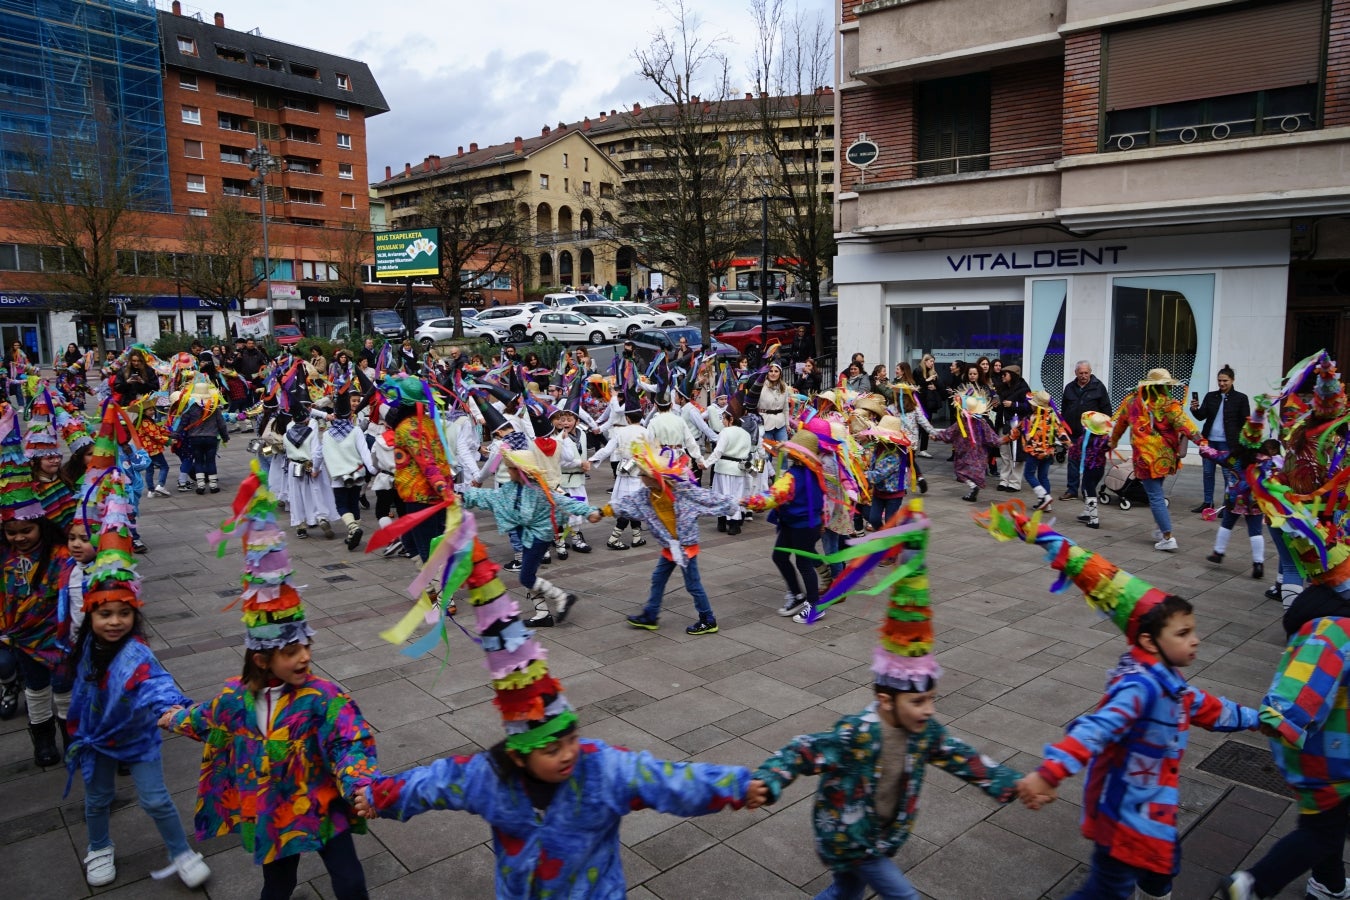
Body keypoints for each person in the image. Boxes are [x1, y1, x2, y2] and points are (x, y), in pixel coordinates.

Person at [354, 533, 762, 898]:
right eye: (550, 748)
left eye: (569, 737)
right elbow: (434, 783)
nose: (568, 752)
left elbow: (668, 782)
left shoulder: (602, 770)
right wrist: (377, 795)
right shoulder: (489, 778)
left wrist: (735, 786)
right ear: (518, 755)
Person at [980, 502, 1260, 900]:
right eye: (1182, 633)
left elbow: (1206, 707)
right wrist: (1049, 773)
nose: (1194, 640)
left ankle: (1156, 886)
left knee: (1163, 865)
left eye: (1192, 631)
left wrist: (1255, 719)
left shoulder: (1170, 683)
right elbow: (1097, 728)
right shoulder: (1141, 688)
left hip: (1154, 810)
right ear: (1149, 641)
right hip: (1124, 816)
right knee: (1106, 890)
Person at [756, 501, 1027, 900]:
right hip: (852, 838)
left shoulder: (925, 732)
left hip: (881, 838)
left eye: (931, 699)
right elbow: (804, 750)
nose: (929, 709)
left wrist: (1014, 785)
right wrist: (769, 780)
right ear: (885, 699)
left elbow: (965, 758)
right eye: (919, 703)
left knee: (845, 894)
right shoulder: (857, 733)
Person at [165, 473, 378, 900]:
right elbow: (208, 719)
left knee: (351, 881)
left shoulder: (325, 698)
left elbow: (349, 742)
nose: (303, 657)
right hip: (272, 810)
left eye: (306, 646)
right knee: (277, 884)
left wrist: (359, 783)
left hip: (322, 805)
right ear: (262, 659)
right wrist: (173, 717)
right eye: (290, 652)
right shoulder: (235, 699)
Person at [65, 473, 210, 890]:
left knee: (156, 798)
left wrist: (171, 711)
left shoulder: (137, 654)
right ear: (89, 615)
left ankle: (181, 850)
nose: (114, 622)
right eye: (104, 614)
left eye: (123, 613)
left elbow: (154, 684)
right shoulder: (83, 645)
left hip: (137, 735)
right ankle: (98, 846)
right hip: (95, 735)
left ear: (135, 615)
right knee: (96, 799)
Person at [1222, 587, 1350, 900]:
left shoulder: (1314, 634)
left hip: (1312, 752)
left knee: (1328, 824)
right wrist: (1282, 719)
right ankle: (1254, 883)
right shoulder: (1331, 631)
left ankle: (1329, 885)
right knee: (1322, 832)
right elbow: (1304, 686)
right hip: (1329, 760)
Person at [458, 439, 602, 628]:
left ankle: (562, 597)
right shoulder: (511, 488)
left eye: (510, 469)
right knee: (529, 575)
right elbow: (492, 497)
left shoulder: (539, 490)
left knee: (526, 577)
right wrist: (464, 496)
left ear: (519, 472)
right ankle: (543, 614)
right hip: (527, 535)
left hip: (539, 537)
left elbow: (564, 501)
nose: (507, 472)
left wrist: (589, 511)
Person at [0, 407, 72, 767]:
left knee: (64, 689)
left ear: (40, 527)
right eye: (12, 534)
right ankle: (42, 738)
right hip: (22, 638)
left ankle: (69, 734)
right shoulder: (5, 559)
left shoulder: (59, 554)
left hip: (57, 634)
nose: (20, 538)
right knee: (36, 689)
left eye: (25, 531)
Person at [615, 442, 739, 635]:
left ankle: (708, 619)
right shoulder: (649, 494)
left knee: (693, 584)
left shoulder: (683, 491)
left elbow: (708, 497)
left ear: (654, 477)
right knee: (658, 578)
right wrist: (603, 510)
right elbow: (628, 503)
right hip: (670, 547)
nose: (640, 478)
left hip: (685, 547)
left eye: (642, 474)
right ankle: (650, 615)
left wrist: (735, 502)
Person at [1108, 368, 1205, 552]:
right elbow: (1187, 426)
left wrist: (1112, 443)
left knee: (1155, 497)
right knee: (1156, 493)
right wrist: (1203, 442)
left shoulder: (1132, 403)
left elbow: (1119, 426)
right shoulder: (1168, 404)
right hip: (1165, 459)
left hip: (1146, 459)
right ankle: (1162, 531)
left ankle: (1168, 536)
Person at [743, 427, 827, 623]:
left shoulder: (795, 476)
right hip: (797, 523)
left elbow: (774, 495)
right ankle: (798, 596)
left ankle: (815, 606)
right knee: (780, 556)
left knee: (803, 563)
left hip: (803, 525)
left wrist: (750, 502)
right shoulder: (812, 471)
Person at [1202, 437, 1278, 581]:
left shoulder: (1234, 457)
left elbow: (1215, 455)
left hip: (1234, 498)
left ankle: (1218, 553)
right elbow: (1274, 473)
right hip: (1254, 501)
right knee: (1255, 532)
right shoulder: (1266, 460)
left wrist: (1203, 446)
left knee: (1226, 524)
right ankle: (1258, 563)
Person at [1189, 364, 1251, 513]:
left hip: (1228, 443)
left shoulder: (1241, 398)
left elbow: (1245, 421)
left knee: (1227, 474)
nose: (1222, 383)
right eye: (1219, 380)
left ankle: (1226, 505)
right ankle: (1207, 502)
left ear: (1232, 380)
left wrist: (1244, 443)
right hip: (1209, 441)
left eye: (1225, 380)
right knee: (1208, 472)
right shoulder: (1211, 396)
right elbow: (1202, 415)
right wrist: (1194, 409)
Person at [924, 393, 1000, 503]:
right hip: (978, 453)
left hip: (964, 452)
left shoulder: (962, 422)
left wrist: (936, 436)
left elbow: (948, 433)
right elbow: (992, 438)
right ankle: (973, 487)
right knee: (975, 470)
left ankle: (973, 486)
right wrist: (1005, 439)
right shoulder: (982, 422)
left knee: (960, 471)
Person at [1009, 390, 1070, 512]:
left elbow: (1017, 430)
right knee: (1043, 477)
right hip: (1049, 452)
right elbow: (1062, 434)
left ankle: (1044, 497)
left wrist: (1006, 438)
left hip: (1035, 452)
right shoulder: (1053, 417)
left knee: (1029, 475)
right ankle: (1046, 505)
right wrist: (1070, 446)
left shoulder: (1031, 418)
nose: (1030, 405)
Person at [1060, 360, 1112, 500]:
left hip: (1092, 435)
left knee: (1090, 463)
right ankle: (1072, 490)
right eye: (1081, 373)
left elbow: (1106, 409)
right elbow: (1064, 409)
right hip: (1074, 432)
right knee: (1072, 461)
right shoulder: (1069, 387)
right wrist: (1064, 427)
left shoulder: (1098, 387)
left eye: (1086, 373)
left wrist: (1104, 430)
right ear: (1076, 373)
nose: (1083, 375)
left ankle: (1087, 490)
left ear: (1090, 372)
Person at [701, 409, 752, 535]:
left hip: (723, 469)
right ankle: (734, 525)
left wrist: (706, 464)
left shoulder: (725, 432)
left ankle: (722, 523)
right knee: (736, 495)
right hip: (740, 469)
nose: (722, 421)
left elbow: (718, 452)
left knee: (722, 495)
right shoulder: (746, 434)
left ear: (731, 419)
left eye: (724, 418)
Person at [993, 364, 1031, 493]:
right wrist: (996, 405)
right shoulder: (1002, 388)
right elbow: (1000, 407)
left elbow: (1029, 407)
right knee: (1004, 453)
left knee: (1017, 453)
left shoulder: (1024, 389)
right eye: (1002, 374)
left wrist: (1013, 404)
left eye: (1005, 374)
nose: (1002, 376)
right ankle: (1004, 480)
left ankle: (1015, 482)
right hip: (1003, 424)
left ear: (1013, 376)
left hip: (1017, 425)